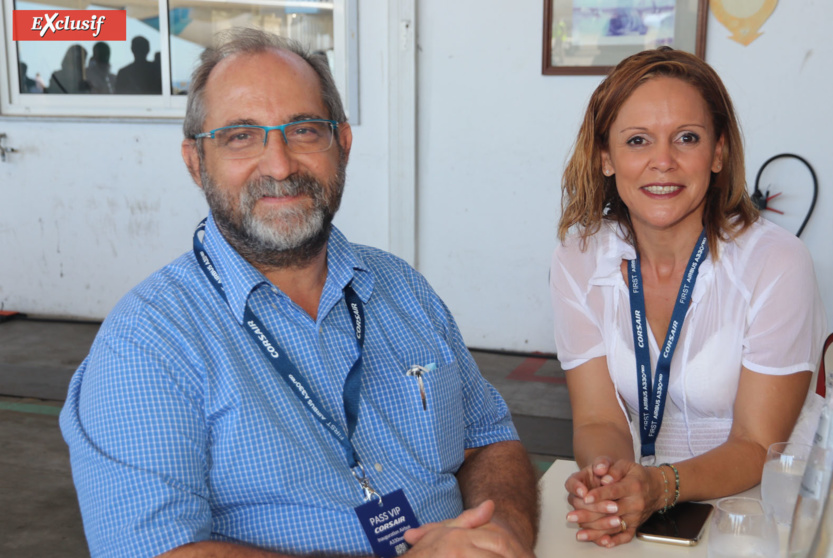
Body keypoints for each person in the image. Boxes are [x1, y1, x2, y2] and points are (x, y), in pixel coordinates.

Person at [61, 28, 538, 558]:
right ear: (196, 161)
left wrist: (506, 533)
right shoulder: (147, 341)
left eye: (305, 130)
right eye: (241, 136)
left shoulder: (402, 288)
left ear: (343, 144)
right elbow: (154, 552)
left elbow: (490, 440)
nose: (280, 165)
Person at [550, 46, 826, 548]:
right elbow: (597, 418)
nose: (663, 162)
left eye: (687, 138)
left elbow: (758, 443)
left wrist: (657, 486)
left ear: (717, 153)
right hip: (649, 503)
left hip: (766, 508)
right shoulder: (579, 258)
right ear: (605, 157)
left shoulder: (777, 262)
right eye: (637, 140)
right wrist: (608, 482)